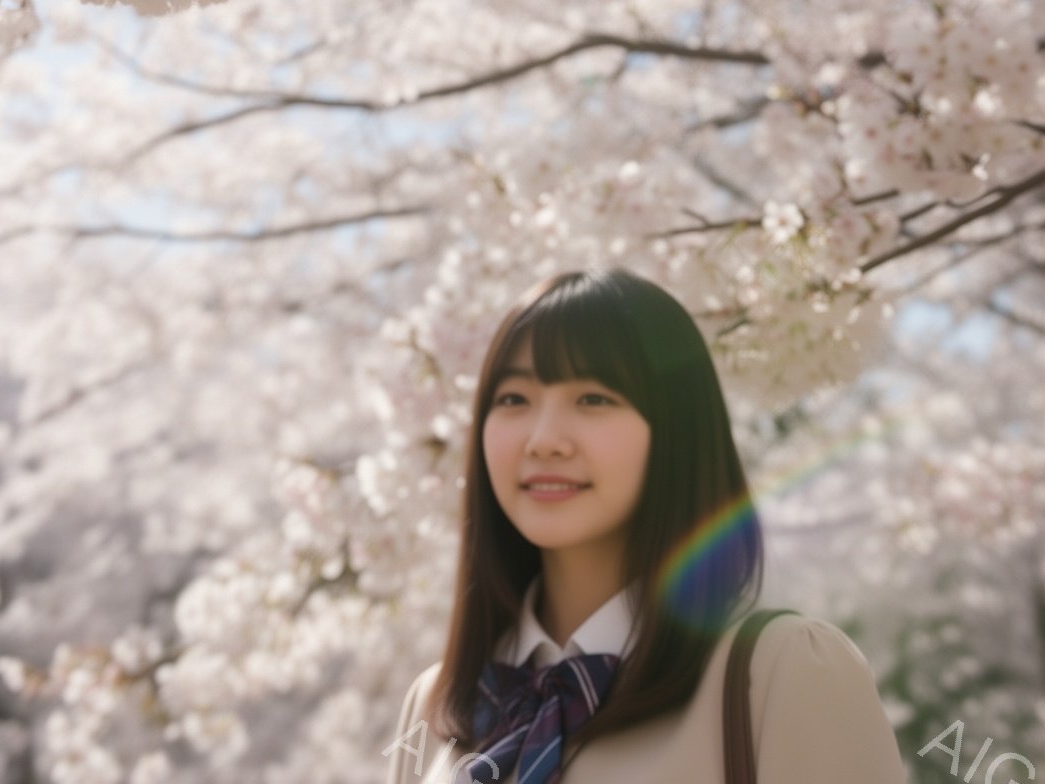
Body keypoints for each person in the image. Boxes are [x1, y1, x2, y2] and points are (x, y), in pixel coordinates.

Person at [383, 266, 908, 784]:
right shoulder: (436, 705)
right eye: (513, 399)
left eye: (593, 399)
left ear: (677, 431)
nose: (543, 439)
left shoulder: (778, 672)